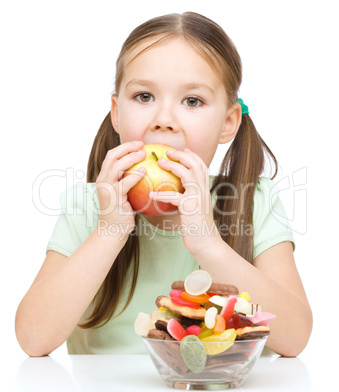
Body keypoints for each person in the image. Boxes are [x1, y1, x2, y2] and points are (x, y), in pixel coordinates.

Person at [15, 12, 312, 357]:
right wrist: (109, 232)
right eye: (144, 97)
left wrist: (209, 244)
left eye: (192, 101)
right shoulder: (88, 205)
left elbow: (295, 338)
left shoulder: (254, 202)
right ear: (116, 112)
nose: (164, 121)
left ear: (228, 123)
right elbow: (32, 339)